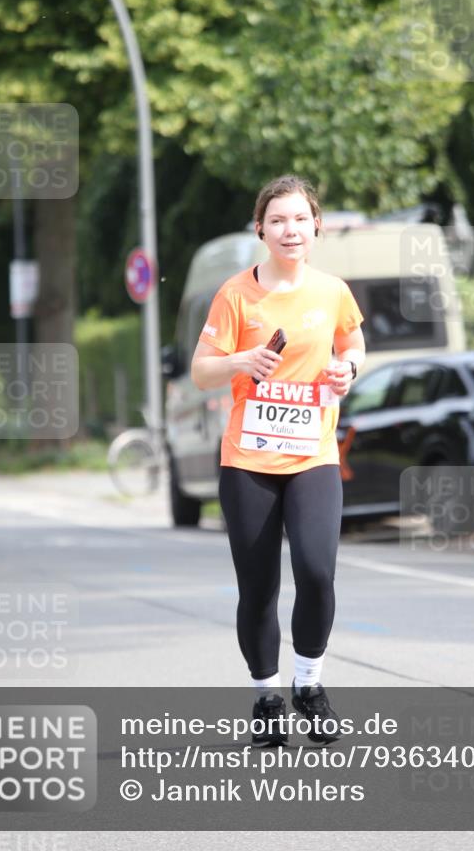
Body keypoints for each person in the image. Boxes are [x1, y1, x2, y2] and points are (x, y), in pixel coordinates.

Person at [191, 175, 365, 746]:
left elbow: (352, 344)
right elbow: (201, 370)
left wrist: (349, 369)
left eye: (300, 219)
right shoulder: (236, 295)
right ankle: (267, 696)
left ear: (316, 225)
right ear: (260, 229)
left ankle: (309, 686)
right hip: (248, 461)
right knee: (259, 587)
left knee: (317, 572)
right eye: (278, 220)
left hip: (313, 454)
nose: (290, 230)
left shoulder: (333, 290)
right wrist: (242, 359)